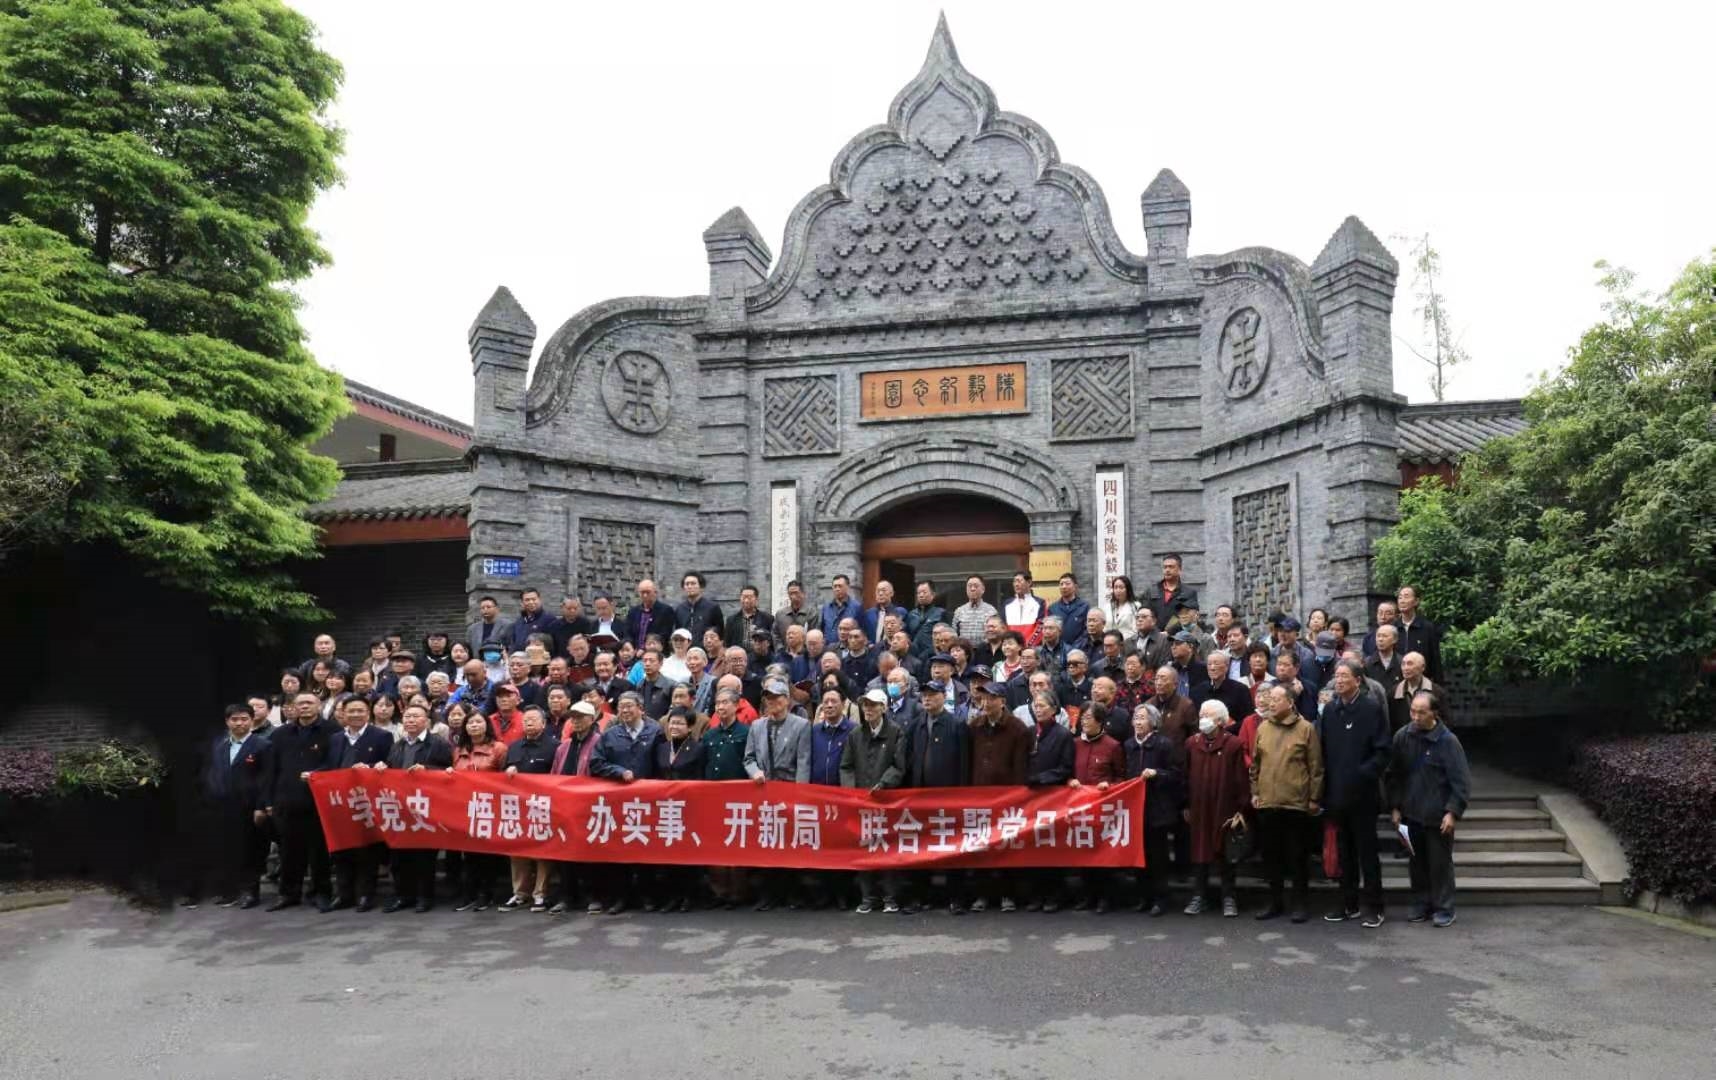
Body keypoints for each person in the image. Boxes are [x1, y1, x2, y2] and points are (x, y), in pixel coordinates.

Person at [1387, 690, 1470, 928]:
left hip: (1437, 815)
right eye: (1413, 711)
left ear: (1434, 713)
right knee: (1417, 863)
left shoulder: (1448, 741)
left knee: (1440, 864)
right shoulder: (1403, 737)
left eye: (1421, 713)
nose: (1415, 717)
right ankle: (1421, 904)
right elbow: (1393, 775)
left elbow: (1460, 781)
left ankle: (1444, 908)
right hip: (1411, 814)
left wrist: (1452, 812)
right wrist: (1394, 807)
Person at [1320, 660, 1392, 927]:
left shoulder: (1371, 709)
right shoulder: (1330, 710)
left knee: (1367, 853)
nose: (1338, 681)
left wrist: (1362, 774)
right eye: (1336, 676)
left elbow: (1383, 751)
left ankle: (1375, 906)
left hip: (1363, 795)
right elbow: (1324, 751)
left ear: (1358, 680)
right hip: (1337, 795)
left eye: (1344, 676)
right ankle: (1347, 903)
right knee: (1344, 853)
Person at [1250, 684, 1325, 923]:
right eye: (1269, 699)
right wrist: (1255, 791)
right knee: (1271, 856)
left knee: (1297, 857)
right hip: (1268, 802)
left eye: (1276, 699)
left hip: (1296, 804)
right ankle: (1275, 902)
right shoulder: (1263, 727)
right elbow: (1255, 765)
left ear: (1290, 703)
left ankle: (1300, 903)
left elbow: (1316, 767)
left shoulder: (1306, 729)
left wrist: (1314, 798)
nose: (1271, 703)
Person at [895, 680, 970, 912]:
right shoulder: (916, 725)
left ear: (943, 696)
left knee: (953, 846)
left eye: (932, 695)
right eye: (924, 695)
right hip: (920, 796)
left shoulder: (956, 725)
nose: (927, 699)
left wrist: (962, 795)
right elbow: (908, 760)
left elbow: (964, 763)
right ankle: (920, 896)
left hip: (948, 797)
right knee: (921, 846)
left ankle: (956, 898)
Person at [373, 702, 454, 913]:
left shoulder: (438, 743)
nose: (410, 720)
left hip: (426, 808)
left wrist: (427, 770)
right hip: (401, 808)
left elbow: (449, 771)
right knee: (400, 856)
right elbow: (392, 769)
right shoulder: (398, 745)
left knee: (424, 857)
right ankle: (403, 896)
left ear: (426, 721)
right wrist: (383, 767)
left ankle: (425, 897)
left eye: (416, 716)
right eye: (407, 717)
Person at [743, 678, 813, 910]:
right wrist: (754, 772)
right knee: (767, 843)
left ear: (787, 700)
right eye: (768, 698)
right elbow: (749, 758)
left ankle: (792, 893)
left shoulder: (801, 725)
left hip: (789, 789)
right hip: (764, 791)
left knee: (790, 844)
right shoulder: (757, 726)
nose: (772, 701)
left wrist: (800, 795)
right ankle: (768, 894)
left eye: (776, 697)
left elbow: (803, 762)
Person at [195, 704, 271, 909]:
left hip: (250, 807)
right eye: (234, 719)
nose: (239, 723)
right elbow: (213, 775)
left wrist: (261, 806)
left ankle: (251, 891)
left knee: (250, 850)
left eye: (244, 719)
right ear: (227, 722)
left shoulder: (262, 745)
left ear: (252, 720)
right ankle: (230, 890)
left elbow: (267, 778)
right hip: (223, 806)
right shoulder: (221, 746)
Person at [966, 681, 1032, 914]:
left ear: (1002, 701)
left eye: (991, 698)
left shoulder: (1018, 729)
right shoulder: (975, 726)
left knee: (1006, 847)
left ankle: (1007, 894)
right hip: (979, 797)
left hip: (1006, 798)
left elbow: (1020, 766)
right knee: (981, 847)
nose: (986, 703)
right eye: (983, 698)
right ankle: (982, 894)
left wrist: (1016, 796)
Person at [840, 688, 906, 913]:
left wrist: (884, 784)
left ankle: (890, 897)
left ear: (883, 708)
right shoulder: (855, 734)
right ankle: (868, 897)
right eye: (865, 705)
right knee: (864, 848)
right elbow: (846, 766)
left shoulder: (896, 732)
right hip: (861, 803)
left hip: (887, 801)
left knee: (888, 848)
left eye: (873, 705)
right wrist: (851, 791)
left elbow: (899, 765)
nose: (868, 709)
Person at [327, 696, 394, 913]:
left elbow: (389, 765)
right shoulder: (335, 738)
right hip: (340, 802)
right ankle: (344, 894)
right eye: (351, 711)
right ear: (342, 714)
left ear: (368, 713)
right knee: (341, 849)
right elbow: (329, 766)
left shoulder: (382, 736)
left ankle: (365, 894)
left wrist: (371, 767)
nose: (355, 714)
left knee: (367, 849)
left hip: (366, 802)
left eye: (360, 710)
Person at [1183, 700, 1249, 918]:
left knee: (1225, 852)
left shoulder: (1234, 744)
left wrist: (1241, 808)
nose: (1203, 719)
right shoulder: (1192, 743)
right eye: (1201, 714)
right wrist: (1185, 804)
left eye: (1208, 715)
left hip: (1224, 806)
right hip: (1199, 806)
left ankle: (1228, 897)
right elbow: (1185, 775)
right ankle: (1199, 895)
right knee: (1199, 850)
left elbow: (1241, 779)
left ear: (1220, 720)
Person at [495, 705, 559, 913]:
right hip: (517, 806)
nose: (528, 723)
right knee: (518, 850)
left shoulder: (554, 746)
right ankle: (520, 893)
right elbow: (501, 777)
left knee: (542, 851)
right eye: (525, 720)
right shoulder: (514, 747)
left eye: (533, 719)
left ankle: (541, 894)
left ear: (544, 723)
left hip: (543, 806)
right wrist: (508, 771)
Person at [1070, 702, 1127, 913]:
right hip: (1080, 807)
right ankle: (1087, 896)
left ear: (1100, 721)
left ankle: (1105, 897)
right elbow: (1068, 771)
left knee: (1103, 854)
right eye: (1082, 718)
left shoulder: (1112, 746)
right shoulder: (1075, 744)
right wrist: (1070, 781)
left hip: (1103, 807)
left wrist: (1109, 785)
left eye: (1088, 718)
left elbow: (1121, 776)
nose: (1083, 722)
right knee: (1083, 853)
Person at [448, 705, 507, 911]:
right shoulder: (459, 750)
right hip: (465, 807)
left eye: (478, 722)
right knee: (468, 853)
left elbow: (506, 779)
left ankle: (486, 893)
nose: (474, 725)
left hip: (489, 807)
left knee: (487, 853)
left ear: (487, 725)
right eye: (470, 722)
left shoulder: (498, 748)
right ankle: (469, 893)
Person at [1023, 681, 1075, 912]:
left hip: (1053, 796)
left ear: (1054, 709)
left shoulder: (1063, 735)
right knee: (1032, 847)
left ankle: (1055, 895)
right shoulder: (1029, 732)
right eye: (1036, 705)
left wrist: (1042, 778)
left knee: (1052, 847)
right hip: (1030, 798)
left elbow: (1066, 768)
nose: (1038, 709)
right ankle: (1036, 895)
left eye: (1043, 705)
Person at [1122, 703, 1178, 916]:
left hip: (1157, 809)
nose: (1138, 722)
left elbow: (1175, 774)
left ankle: (1160, 898)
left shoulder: (1164, 744)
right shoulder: (1128, 745)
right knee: (1139, 855)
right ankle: (1143, 896)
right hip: (1135, 809)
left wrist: (1157, 773)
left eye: (1142, 718)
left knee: (1157, 857)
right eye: (1135, 718)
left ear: (1153, 722)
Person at [650, 706, 706, 912]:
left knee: (687, 853)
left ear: (690, 727)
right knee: (667, 853)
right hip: (665, 809)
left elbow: (701, 779)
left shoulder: (698, 749)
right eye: (672, 722)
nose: (674, 726)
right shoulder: (661, 748)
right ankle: (671, 896)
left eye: (680, 723)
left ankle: (688, 896)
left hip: (688, 808)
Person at [1393, 585, 1445, 683]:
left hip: (1422, 681)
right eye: (1400, 597)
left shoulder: (1427, 628)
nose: (1402, 601)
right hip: (1398, 682)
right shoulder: (1393, 628)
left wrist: (1438, 684)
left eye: (1406, 597)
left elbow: (1435, 659)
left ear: (1416, 601)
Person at [1192, 650, 1253, 727]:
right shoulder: (1197, 691)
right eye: (1209, 664)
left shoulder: (1240, 690)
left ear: (1227, 667)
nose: (1212, 668)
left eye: (1216, 664)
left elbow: (1247, 720)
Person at [1390, 651, 1447, 732]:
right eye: (1403, 664)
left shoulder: (1436, 692)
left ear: (1422, 667)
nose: (1405, 668)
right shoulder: (1394, 692)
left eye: (1410, 664)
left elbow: (1445, 722)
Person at [1142, 555, 1198, 629]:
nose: (1167, 570)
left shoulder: (1188, 592)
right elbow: (1145, 614)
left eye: (1171, 567)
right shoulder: (1151, 591)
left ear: (1179, 569)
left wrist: (1168, 632)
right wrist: (1155, 632)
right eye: (1165, 567)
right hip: (1154, 634)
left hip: (1178, 635)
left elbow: (1188, 617)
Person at [622, 579, 678, 651]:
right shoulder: (633, 612)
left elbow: (664, 635)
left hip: (656, 653)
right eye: (642, 592)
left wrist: (645, 648)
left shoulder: (666, 611)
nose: (645, 595)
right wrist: (628, 643)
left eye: (648, 592)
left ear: (655, 592)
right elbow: (627, 632)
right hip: (635, 652)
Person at [674, 572, 724, 648]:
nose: (689, 586)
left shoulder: (712, 608)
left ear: (701, 586)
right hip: (686, 651)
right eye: (687, 584)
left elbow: (720, 632)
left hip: (707, 651)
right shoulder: (679, 609)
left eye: (693, 583)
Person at [503, 588, 557, 652]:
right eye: (527, 600)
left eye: (534, 599)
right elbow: (513, 642)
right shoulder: (519, 621)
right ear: (522, 603)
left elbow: (552, 645)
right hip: (518, 656)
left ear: (539, 600)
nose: (531, 602)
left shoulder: (549, 619)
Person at [1049, 573, 1091, 653]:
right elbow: (1050, 630)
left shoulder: (1084, 606)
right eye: (1061, 584)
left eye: (1067, 584)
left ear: (1075, 587)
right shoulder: (1053, 608)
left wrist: (1075, 647)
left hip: (1080, 650)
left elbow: (1086, 631)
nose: (1064, 587)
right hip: (1058, 651)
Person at [951, 575, 998, 643]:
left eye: (976, 586)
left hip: (985, 648)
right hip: (964, 648)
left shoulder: (991, 611)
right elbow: (954, 634)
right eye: (969, 586)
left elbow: (995, 634)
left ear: (983, 589)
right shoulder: (959, 611)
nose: (972, 589)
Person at [907, 580, 947, 659]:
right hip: (913, 656)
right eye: (919, 593)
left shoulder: (941, 613)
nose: (921, 595)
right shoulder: (911, 614)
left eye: (924, 592)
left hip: (932, 655)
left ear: (933, 594)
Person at [1002, 571, 1044, 645]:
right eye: (1014, 581)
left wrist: (1028, 645)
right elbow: (1003, 627)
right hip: (1011, 648)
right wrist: (1011, 645)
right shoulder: (1007, 604)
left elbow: (1040, 628)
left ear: (1029, 582)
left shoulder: (1039, 603)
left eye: (1019, 581)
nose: (1016, 584)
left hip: (1032, 648)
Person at [1365, 624, 1404, 701]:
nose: (1380, 639)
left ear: (1395, 639)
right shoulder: (1367, 663)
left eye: (1384, 636)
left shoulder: (1402, 662)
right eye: (1378, 636)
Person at [1100, 575, 1141, 645]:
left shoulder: (1135, 606)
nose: (1118, 590)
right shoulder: (1107, 607)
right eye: (1115, 587)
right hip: (1110, 644)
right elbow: (1104, 627)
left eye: (1121, 587)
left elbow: (1136, 629)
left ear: (1127, 589)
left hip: (1129, 643)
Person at [820, 574, 863, 641]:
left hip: (849, 645)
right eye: (835, 586)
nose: (837, 589)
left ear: (847, 587)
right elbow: (822, 629)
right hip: (829, 646)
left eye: (840, 586)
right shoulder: (826, 608)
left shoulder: (856, 607)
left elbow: (861, 630)